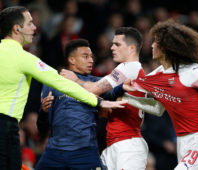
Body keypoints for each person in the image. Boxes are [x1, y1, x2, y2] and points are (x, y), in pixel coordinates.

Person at [0, 6, 125, 170]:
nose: (35, 27)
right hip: (5, 127)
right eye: (30, 23)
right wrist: (97, 102)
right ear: (17, 28)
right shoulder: (24, 58)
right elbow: (61, 82)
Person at [122, 19, 198, 170]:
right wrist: (126, 99)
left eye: (155, 42)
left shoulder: (194, 71)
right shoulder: (157, 76)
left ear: (166, 47)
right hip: (183, 143)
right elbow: (158, 109)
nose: (151, 45)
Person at [60, 27, 148, 170]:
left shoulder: (129, 67)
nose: (112, 47)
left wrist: (75, 80)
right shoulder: (134, 71)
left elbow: (94, 88)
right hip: (116, 143)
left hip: (127, 146)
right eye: (112, 43)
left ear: (132, 48)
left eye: (117, 44)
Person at [36, 39, 125, 170]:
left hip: (85, 151)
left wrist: (124, 86)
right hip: (55, 151)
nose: (91, 60)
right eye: (85, 56)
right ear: (71, 60)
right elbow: (42, 127)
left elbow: (112, 93)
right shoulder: (53, 83)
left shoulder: (96, 83)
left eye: (92, 57)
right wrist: (43, 112)